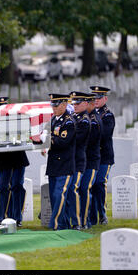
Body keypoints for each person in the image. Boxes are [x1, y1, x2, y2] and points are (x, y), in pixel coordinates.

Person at [34, 94, 76, 230]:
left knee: (59, 195)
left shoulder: (68, 122)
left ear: (64, 105)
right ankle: (63, 224)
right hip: (53, 164)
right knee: (53, 196)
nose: (54, 108)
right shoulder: (53, 119)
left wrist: (48, 138)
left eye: (56, 105)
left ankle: (56, 225)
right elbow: (46, 136)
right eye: (52, 105)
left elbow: (63, 142)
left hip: (65, 164)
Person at [88, 86, 115, 226]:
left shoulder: (107, 115)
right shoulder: (90, 113)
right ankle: (91, 216)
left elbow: (104, 134)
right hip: (92, 156)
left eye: (99, 97)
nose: (96, 100)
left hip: (104, 156)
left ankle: (102, 213)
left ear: (105, 98)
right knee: (90, 185)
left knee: (99, 183)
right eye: (94, 97)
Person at [66, 91, 91, 230]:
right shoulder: (74, 118)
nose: (75, 105)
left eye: (78, 103)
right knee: (70, 189)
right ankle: (73, 219)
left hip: (78, 160)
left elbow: (75, 139)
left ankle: (79, 222)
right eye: (74, 103)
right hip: (71, 160)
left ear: (85, 104)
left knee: (74, 189)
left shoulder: (84, 121)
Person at [80, 93, 101, 229]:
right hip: (84, 160)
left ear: (90, 104)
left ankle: (86, 219)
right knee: (83, 190)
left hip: (91, 160)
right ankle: (86, 218)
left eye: (84, 103)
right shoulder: (84, 118)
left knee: (85, 189)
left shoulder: (93, 120)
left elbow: (88, 142)